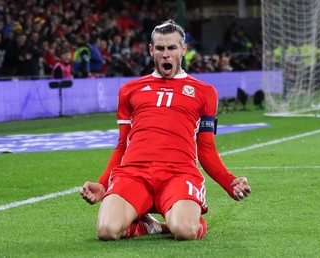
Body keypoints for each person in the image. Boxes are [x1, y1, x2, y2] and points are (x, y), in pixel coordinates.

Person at [80, 20, 251, 241]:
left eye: (172, 48)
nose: (166, 54)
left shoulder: (205, 92)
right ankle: (149, 226)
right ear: (151, 50)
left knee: (185, 231)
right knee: (107, 231)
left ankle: (177, 221)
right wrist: (102, 185)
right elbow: (122, 145)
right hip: (134, 174)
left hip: (179, 174)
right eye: (160, 48)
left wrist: (229, 182)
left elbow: (206, 149)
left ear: (183, 50)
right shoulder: (129, 91)